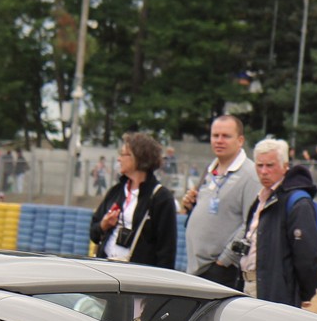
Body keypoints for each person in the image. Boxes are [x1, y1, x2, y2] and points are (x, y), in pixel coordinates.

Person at [178, 114, 259, 291]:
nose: (219, 141)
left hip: (221, 271)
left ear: (240, 140)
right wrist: (191, 206)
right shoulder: (210, 170)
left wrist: (224, 261)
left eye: (226, 136)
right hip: (197, 267)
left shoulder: (250, 175)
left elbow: (251, 223)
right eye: (215, 136)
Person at [240, 139, 317, 308]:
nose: (264, 171)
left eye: (270, 165)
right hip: (249, 284)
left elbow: (307, 254)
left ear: (285, 166)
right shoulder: (261, 198)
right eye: (259, 166)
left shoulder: (298, 202)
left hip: (276, 292)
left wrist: (304, 292)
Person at [89, 132, 177, 269]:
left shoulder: (161, 198)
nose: (119, 159)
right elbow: (93, 233)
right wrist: (103, 225)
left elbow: (167, 251)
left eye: (124, 154)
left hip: (136, 275)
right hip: (105, 269)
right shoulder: (116, 192)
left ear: (138, 158)